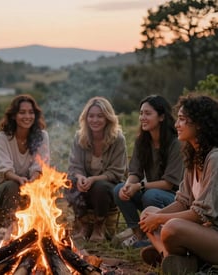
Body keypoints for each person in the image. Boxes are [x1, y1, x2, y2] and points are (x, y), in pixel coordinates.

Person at [139, 94, 218, 274]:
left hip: (214, 235)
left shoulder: (215, 159)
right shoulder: (194, 156)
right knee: (147, 213)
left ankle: (174, 257)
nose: (176, 125)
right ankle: (172, 257)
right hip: (202, 231)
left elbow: (200, 215)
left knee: (172, 227)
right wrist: (154, 217)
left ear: (199, 123)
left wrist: (159, 219)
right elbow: (183, 201)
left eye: (182, 120)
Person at [113, 95, 184, 248]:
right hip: (150, 192)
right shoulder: (142, 141)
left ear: (161, 117)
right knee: (119, 189)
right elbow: (135, 172)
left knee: (151, 195)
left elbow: (169, 183)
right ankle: (138, 235)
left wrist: (139, 187)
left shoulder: (175, 143)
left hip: (175, 199)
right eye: (141, 113)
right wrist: (128, 186)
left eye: (148, 113)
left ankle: (157, 236)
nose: (142, 118)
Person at [66, 96, 127, 242]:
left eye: (100, 116)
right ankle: (83, 224)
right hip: (84, 188)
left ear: (108, 118)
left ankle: (99, 226)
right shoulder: (80, 137)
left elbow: (116, 172)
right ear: (86, 118)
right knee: (70, 182)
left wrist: (93, 179)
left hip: (107, 188)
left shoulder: (118, 139)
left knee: (100, 186)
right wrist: (80, 177)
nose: (95, 120)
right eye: (91, 116)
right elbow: (75, 166)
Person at [0, 94, 50, 233]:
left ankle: (38, 230)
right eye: (22, 112)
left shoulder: (42, 136)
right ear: (13, 116)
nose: (27, 116)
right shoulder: (3, 137)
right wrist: (19, 179)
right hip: (3, 186)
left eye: (31, 112)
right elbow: (4, 168)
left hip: (31, 183)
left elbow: (40, 165)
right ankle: (8, 229)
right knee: (13, 186)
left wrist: (32, 180)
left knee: (45, 185)